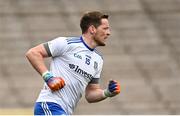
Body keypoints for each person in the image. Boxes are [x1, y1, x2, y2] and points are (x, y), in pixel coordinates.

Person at [26, 11, 120, 115]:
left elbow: (91, 94)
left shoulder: (98, 59)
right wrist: (48, 77)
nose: (108, 33)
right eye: (105, 28)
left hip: (65, 111)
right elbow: (33, 53)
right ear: (92, 29)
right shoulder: (66, 43)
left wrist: (107, 92)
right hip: (49, 105)